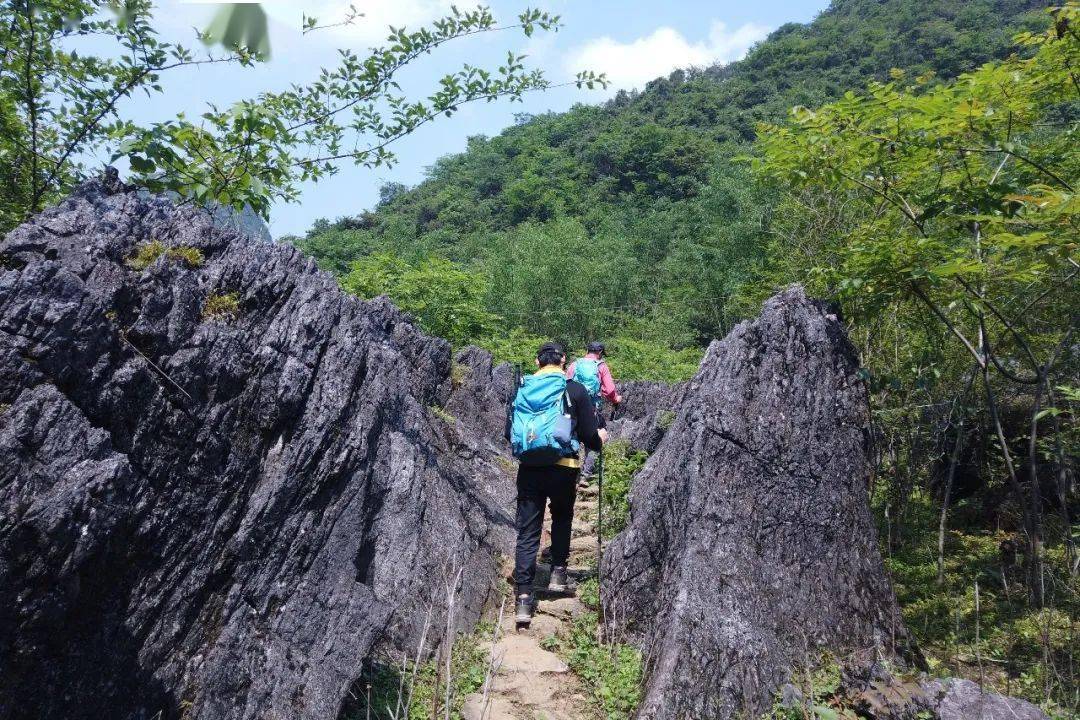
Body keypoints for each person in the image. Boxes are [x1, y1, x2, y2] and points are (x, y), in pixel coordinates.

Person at [505, 341, 607, 625]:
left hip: (529, 469)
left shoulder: (522, 388)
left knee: (527, 532)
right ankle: (558, 574)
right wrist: (600, 439)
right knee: (562, 517)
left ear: (538, 362)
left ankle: (523, 599)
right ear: (563, 361)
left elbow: (508, 433)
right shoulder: (575, 389)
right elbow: (589, 437)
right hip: (565, 468)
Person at [566, 341, 622, 411]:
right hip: (591, 406)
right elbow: (609, 390)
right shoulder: (601, 366)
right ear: (600, 352)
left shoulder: (574, 364)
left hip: (573, 405)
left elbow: (567, 383)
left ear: (587, 351)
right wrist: (615, 399)